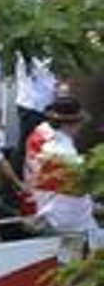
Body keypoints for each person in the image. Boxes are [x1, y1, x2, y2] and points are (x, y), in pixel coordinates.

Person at [27, 96, 97, 240]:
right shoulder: (67, 153)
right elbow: (74, 195)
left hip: (47, 211)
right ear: (73, 124)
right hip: (67, 223)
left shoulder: (47, 143)